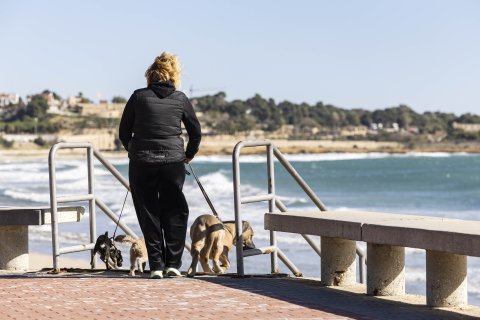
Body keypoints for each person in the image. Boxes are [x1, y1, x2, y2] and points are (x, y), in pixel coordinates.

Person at [119, 52, 201, 279]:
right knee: (175, 211)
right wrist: (188, 155)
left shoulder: (138, 97)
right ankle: (173, 264)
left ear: (150, 75)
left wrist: (134, 151)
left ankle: (156, 265)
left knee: (148, 213)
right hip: (173, 163)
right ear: (174, 75)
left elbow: (123, 132)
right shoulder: (180, 98)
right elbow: (196, 132)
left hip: (142, 163)